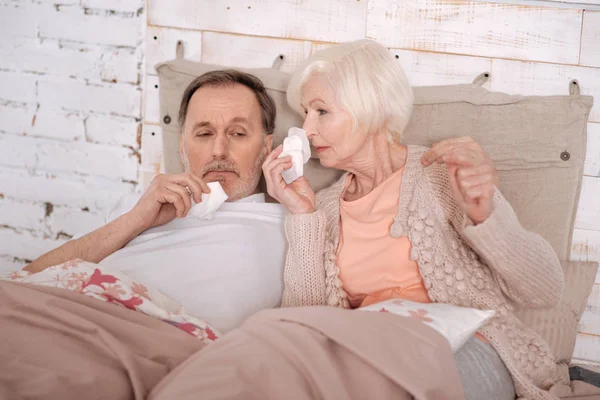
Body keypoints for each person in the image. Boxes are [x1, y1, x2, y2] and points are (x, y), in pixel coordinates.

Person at [262, 39, 564, 400]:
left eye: (321, 112)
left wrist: (486, 215)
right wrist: (303, 216)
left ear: (370, 107)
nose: (307, 130)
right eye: (304, 114)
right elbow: (305, 327)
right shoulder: (323, 208)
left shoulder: (441, 175)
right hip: (373, 356)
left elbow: (544, 289)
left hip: (467, 348)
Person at [22, 70, 287, 333]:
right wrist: (136, 220)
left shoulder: (290, 226)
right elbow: (28, 279)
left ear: (266, 147)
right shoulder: (138, 205)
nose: (219, 150)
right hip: (59, 317)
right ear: (182, 146)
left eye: (238, 133)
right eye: (204, 134)